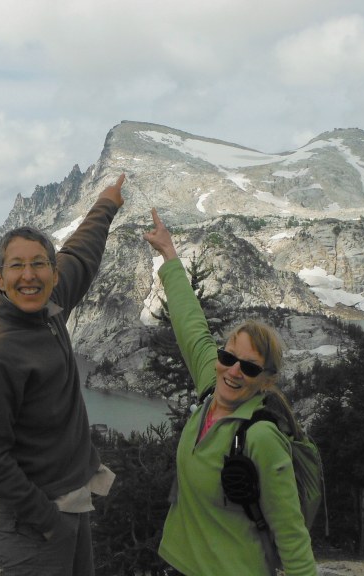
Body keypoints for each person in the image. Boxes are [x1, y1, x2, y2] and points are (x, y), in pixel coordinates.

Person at [0, 174, 125, 576]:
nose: (29, 275)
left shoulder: (49, 308)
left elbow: (81, 253)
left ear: (52, 273)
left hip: (72, 503)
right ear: (0, 280)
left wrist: (106, 203)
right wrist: (46, 519)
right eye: (17, 266)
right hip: (35, 525)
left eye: (38, 264)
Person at [143, 208, 316, 576]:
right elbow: (191, 326)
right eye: (228, 357)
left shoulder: (261, 436)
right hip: (181, 563)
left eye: (249, 367)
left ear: (265, 379)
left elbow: (290, 530)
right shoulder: (213, 385)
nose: (234, 371)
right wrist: (170, 257)